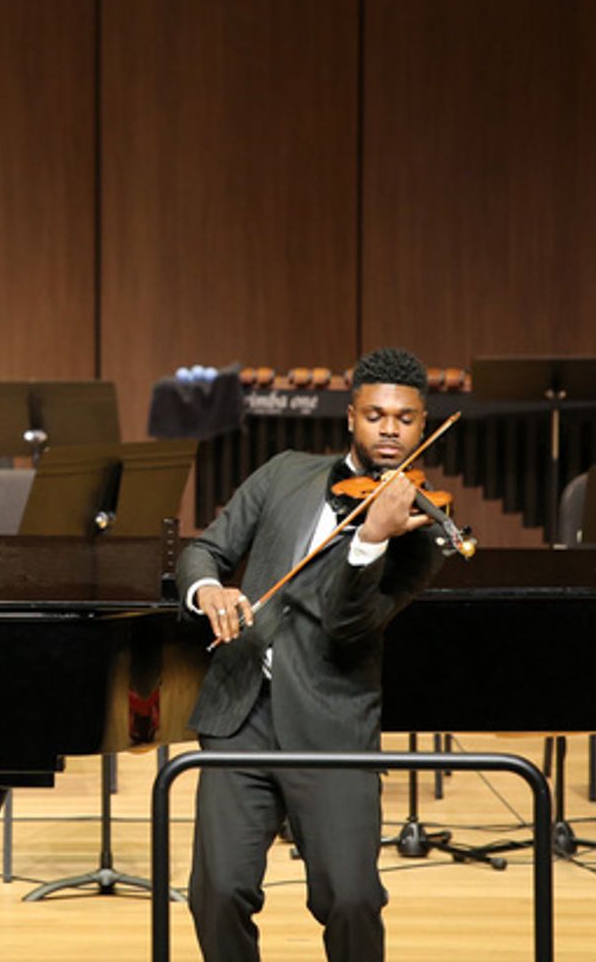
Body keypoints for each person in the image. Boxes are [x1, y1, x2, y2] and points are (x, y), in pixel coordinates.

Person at [178, 346, 447, 962]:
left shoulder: (422, 531)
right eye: (375, 414)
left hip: (331, 723)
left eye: (404, 418)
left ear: (422, 426)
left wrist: (371, 539)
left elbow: (351, 624)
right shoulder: (284, 472)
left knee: (352, 900)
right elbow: (205, 549)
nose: (388, 428)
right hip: (242, 713)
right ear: (351, 416)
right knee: (216, 894)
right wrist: (208, 589)